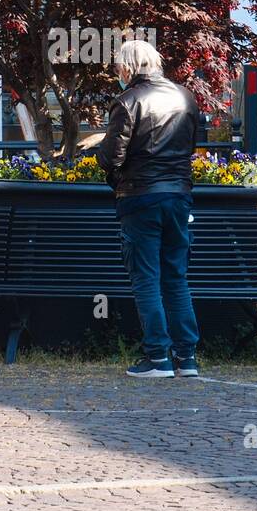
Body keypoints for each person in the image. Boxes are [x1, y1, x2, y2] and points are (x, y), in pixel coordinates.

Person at [96, 39, 201, 379]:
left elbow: (112, 156)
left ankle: (157, 357)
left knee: (146, 278)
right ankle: (187, 358)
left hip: (140, 196)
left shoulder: (128, 101)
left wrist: (109, 169)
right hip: (178, 194)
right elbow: (190, 146)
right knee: (176, 276)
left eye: (118, 68)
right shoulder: (185, 97)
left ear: (127, 67)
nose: (118, 73)